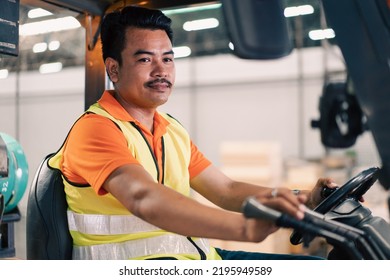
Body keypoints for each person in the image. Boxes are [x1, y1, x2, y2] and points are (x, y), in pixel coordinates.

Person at [49, 5, 337, 260]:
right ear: (113, 69)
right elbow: (142, 197)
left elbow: (226, 190)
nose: (161, 70)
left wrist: (304, 199)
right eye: (145, 60)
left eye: (168, 59)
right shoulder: (96, 128)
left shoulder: (171, 130)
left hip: (195, 260)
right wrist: (244, 228)